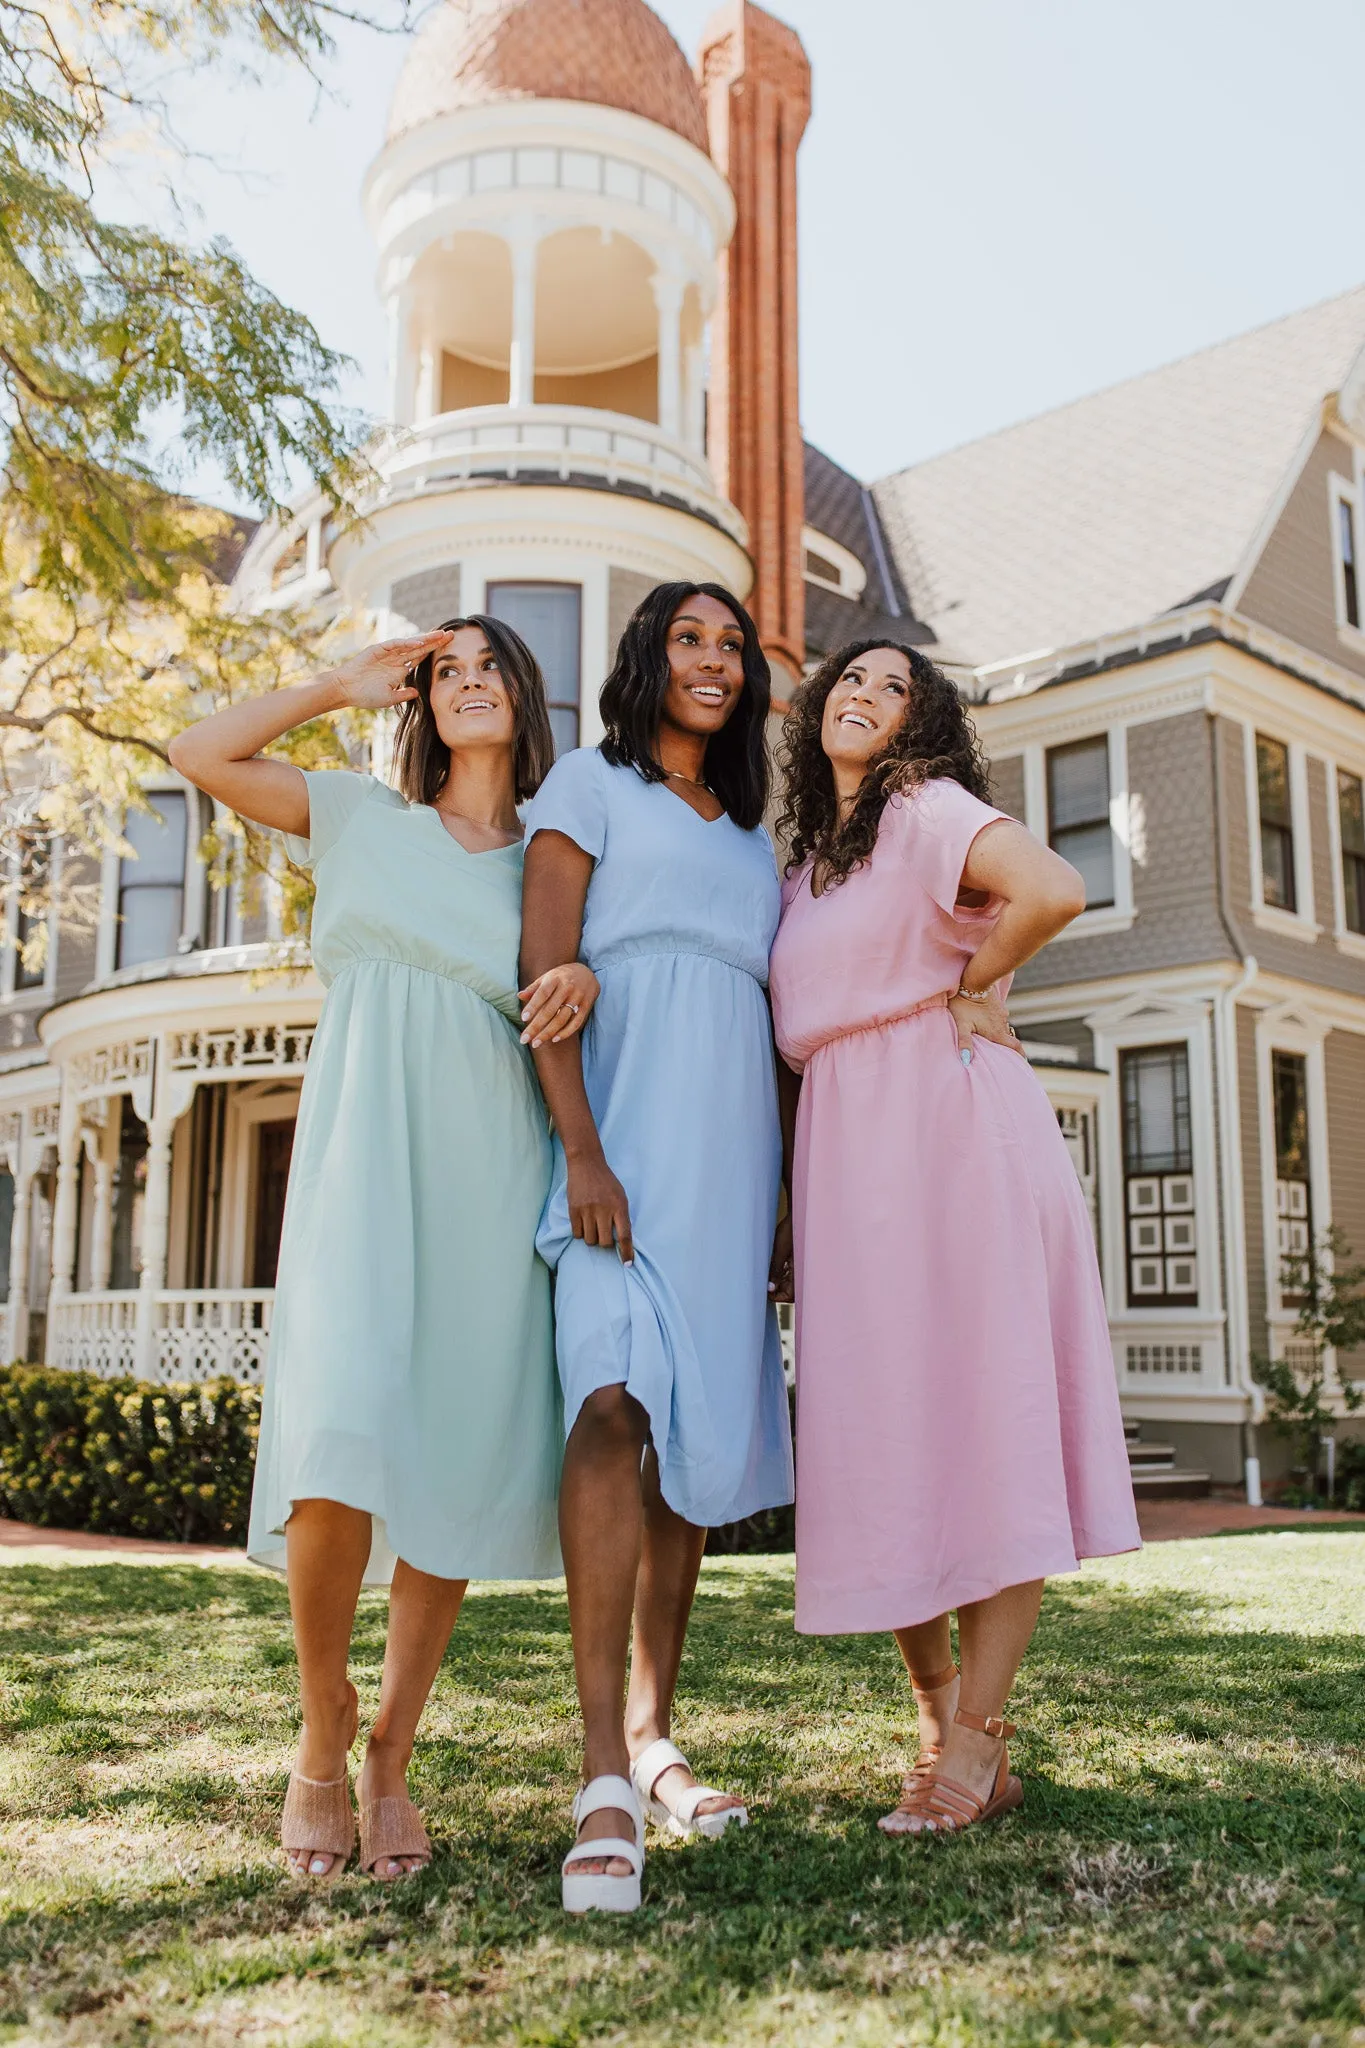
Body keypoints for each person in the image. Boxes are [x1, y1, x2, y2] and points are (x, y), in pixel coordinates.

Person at [168, 618, 596, 1880]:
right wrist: (334, 685)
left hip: (491, 1166)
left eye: (490, 667)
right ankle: (323, 1721)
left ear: (524, 699)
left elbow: (585, 984)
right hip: (361, 1163)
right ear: (426, 699)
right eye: (445, 667)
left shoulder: (554, 860)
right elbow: (198, 748)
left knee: (450, 1456)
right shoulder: (359, 816)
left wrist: (589, 985)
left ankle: (394, 1750)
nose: (467, 681)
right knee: (335, 1443)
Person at [767, 639, 1140, 1837]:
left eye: (895, 687)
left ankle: (975, 1747)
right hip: (847, 1149)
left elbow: (1054, 888)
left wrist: (978, 978)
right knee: (879, 1435)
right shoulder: (805, 866)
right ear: (815, 704)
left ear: (919, 727)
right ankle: (941, 1724)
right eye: (850, 678)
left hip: (951, 1122)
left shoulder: (925, 809)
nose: (864, 696)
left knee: (987, 1424)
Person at [519, 582, 793, 1913]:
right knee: (610, 1400)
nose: (715, 661)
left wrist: (789, 1204)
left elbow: (776, 1013)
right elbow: (544, 971)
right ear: (647, 654)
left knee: (685, 1452)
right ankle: (598, 1777)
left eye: (732, 645)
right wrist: (580, 1149)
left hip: (731, 1162)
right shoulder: (587, 783)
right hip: (616, 1152)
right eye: (690, 638)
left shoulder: (753, 836)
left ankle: (654, 1733)